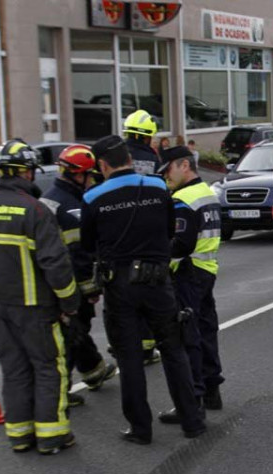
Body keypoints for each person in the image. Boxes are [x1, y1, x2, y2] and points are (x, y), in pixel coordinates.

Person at [0, 139, 80, 455]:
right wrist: (69, 303)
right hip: (36, 310)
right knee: (48, 368)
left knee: (15, 369)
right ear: (29, 173)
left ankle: (20, 436)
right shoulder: (34, 211)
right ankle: (51, 436)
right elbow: (56, 265)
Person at [81, 135, 206, 444]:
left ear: (102, 164)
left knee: (130, 357)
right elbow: (167, 230)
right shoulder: (157, 187)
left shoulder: (93, 197)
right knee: (173, 350)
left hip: (120, 285)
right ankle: (192, 421)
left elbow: (87, 245)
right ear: (129, 158)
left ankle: (141, 429)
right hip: (158, 281)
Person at [39, 145, 117, 404]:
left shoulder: (48, 197)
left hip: (47, 278)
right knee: (71, 333)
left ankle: (93, 371)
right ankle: (59, 394)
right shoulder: (73, 209)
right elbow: (79, 254)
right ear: (78, 175)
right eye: (90, 176)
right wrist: (90, 289)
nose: (92, 181)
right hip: (69, 284)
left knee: (73, 331)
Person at [156, 147, 224, 424]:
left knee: (188, 337)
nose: (166, 177)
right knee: (207, 330)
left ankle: (192, 401)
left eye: (168, 170)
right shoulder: (208, 192)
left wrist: (159, 254)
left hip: (187, 272)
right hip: (207, 269)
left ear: (185, 165)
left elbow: (181, 243)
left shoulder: (183, 198)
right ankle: (211, 391)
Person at [122, 109, 162, 364]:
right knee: (147, 292)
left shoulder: (117, 154)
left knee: (121, 293)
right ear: (148, 137)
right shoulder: (153, 160)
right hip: (146, 233)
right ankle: (147, 346)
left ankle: (124, 344)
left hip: (117, 232)